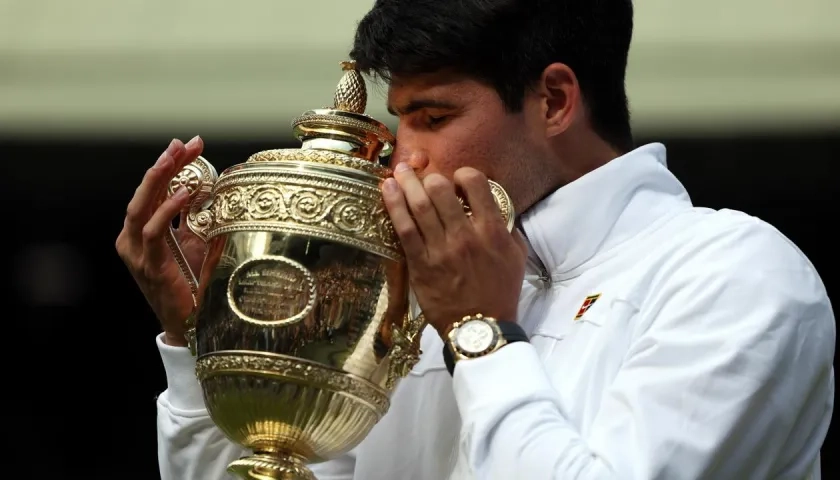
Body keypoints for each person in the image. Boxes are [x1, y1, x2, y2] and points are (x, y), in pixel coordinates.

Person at [117, 1, 835, 479]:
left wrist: (481, 332)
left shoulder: (736, 273)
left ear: (554, 100)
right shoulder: (414, 287)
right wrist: (204, 342)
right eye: (401, 123)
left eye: (432, 116)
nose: (404, 159)